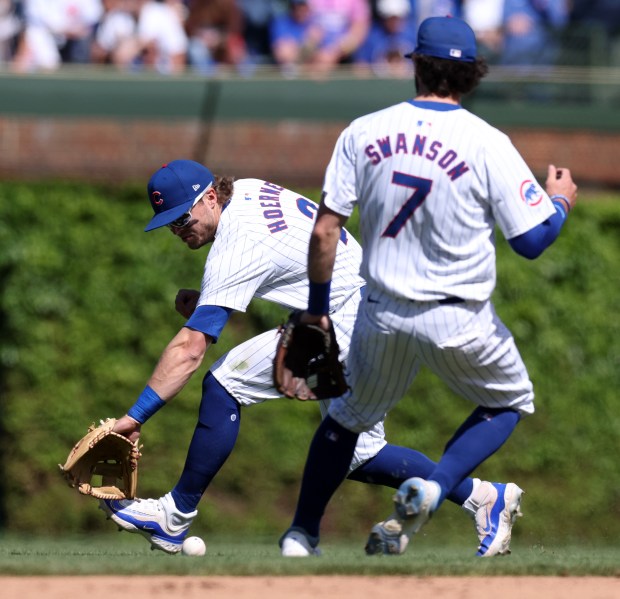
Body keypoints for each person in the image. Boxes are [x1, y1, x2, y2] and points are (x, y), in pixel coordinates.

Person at [98, 159, 519, 556]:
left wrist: (135, 417)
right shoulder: (246, 191)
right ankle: (484, 497)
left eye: (181, 217)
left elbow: (191, 348)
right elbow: (289, 259)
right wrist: (210, 299)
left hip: (352, 319)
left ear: (210, 197)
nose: (177, 228)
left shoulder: (236, 241)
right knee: (360, 454)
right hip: (368, 303)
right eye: (168, 223)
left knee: (226, 383)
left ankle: (175, 515)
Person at [278, 15, 578, 558]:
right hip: (458, 315)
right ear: (473, 75)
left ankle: (301, 536)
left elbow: (326, 231)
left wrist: (319, 312)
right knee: (508, 401)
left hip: (381, 312)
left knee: (346, 421)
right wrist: (559, 201)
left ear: (415, 64)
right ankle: (439, 487)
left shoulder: (363, 131)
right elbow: (532, 242)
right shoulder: (487, 141)